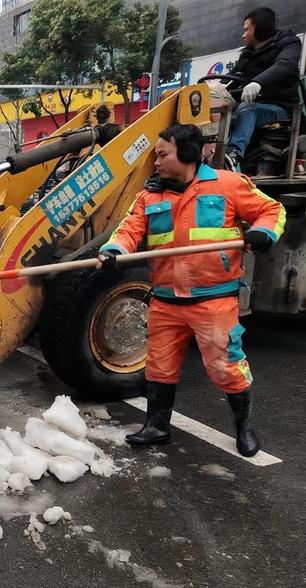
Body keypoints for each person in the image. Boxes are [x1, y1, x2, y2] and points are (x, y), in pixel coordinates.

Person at [99, 124, 286, 457]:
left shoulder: (228, 185)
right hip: (166, 301)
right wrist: (115, 252)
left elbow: (271, 210)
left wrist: (262, 233)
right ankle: (157, 426)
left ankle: (243, 427)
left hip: (213, 300)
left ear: (186, 152)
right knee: (158, 365)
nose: (155, 162)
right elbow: (128, 231)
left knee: (225, 366)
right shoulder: (150, 196)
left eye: (162, 154)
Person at [226, 7, 302, 167]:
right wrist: (213, 90)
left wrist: (258, 82)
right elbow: (230, 78)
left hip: (281, 107)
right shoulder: (247, 54)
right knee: (221, 111)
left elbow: (284, 65)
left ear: (260, 29)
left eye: (247, 30)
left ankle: (233, 156)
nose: (243, 35)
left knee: (248, 108)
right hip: (252, 105)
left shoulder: (289, 43)